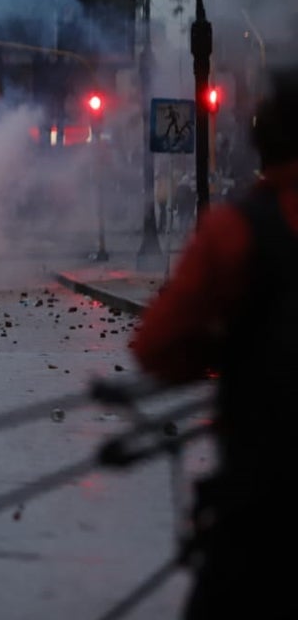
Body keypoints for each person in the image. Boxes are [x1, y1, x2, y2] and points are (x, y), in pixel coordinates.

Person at [129, 69, 298, 620]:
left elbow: (158, 347)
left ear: (264, 139)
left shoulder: (240, 229)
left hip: (264, 491)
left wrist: (230, 350)